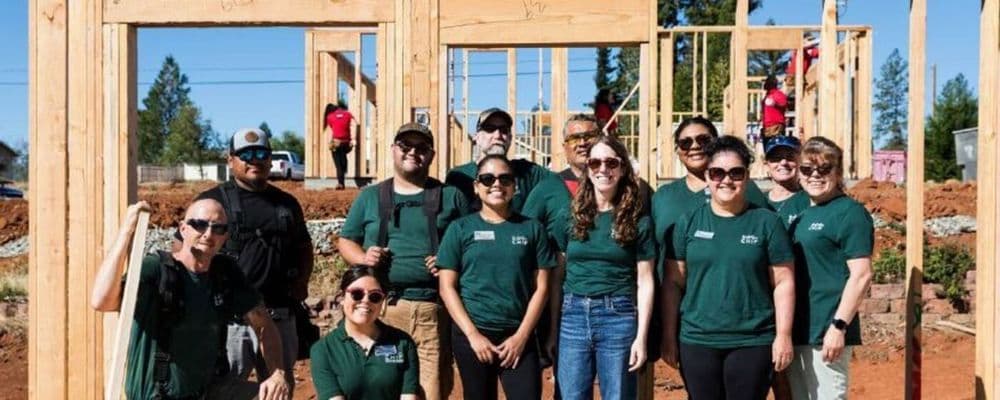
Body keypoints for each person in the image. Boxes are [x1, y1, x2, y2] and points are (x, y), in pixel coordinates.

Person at [92, 200, 290, 400]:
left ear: (225, 236)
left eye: (218, 228)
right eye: (200, 224)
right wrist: (126, 231)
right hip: (160, 395)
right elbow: (101, 300)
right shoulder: (158, 270)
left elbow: (263, 324)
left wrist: (277, 373)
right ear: (183, 229)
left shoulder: (225, 273)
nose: (208, 234)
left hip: (210, 391)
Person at [176, 128, 313, 393]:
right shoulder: (211, 202)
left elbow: (304, 248)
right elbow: (182, 251)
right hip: (230, 322)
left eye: (261, 153)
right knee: (223, 391)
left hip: (279, 318)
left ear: (270, 158)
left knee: (279, 391)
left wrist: (302, 283)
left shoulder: (286, 204)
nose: (254, 160)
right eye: (245, 154)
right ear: (230, 160)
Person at [337, 122, 468, 400]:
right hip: (382, 310)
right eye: (405, 146)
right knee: (383, 389)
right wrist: (363, 257)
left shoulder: (451, 196)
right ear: (393, 150)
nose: (412, 152)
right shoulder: (371, 196)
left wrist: (449, 260)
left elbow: (470, 246)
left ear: (431, 155)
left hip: (431, 310)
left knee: (430, 391)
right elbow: (345, 240)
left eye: (421, 148)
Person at [661, 135, 796, 400]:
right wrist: (668, 335)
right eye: (717, 172)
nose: (726, 179)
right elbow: (674, 283)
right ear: (708, 176)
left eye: (735, 172)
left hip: (752, 340)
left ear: (747, 175)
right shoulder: (688, 222)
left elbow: (784, 282)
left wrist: (783, 335)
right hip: (698, 340)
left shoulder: (767, 223)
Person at [437, 155, 557, 400]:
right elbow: (447, 287)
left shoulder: (532, 229)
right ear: (476, 186)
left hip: (518, 336)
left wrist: (521, 337)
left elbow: (542, 288)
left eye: (505, 178)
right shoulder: (460, 229)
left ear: (515, 186)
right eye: (487, 179)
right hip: (473, 336)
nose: (496, 184)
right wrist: (473, 335)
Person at [552, 135, 656, 400]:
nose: (603, 169)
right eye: (595, 163)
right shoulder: (571, 216)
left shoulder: (637, 220)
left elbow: (645, 281)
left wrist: (641, 338)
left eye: (611, 162)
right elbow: (557, 275)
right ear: (587, 169)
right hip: (573, 314)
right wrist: (553, 330)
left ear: (622, 169)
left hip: (618, 315)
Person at [786, 137, 873, 399]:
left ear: (837, 172)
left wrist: (838, 326)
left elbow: (862, 274)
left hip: (826, 330)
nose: (815, 175)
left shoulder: (849, 213)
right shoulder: (798, 211)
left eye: (824, 169)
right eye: (807, 169)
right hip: (797, 328)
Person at [651, 117, 769, 293]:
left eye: (703, 140)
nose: (695, 146)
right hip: (672, 304)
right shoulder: (663, 197)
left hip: (729, 303)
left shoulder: (743, 189)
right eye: (685, 142)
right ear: (677, 150)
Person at [310, 266, 421, 400]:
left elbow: (409, 396)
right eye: (357, 294)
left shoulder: (403, 343)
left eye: (375, 296)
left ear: (382, 302)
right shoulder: (323, 350)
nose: (365, 301)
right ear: (342, 298)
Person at [765, 135, 810, 228]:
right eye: (776, 158)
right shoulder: (758, 201)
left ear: (800, 162)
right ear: (766, 165)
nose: (783, 163)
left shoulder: (809, 200)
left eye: (790, 157)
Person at [326, 102, 357, 190]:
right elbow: (354, 123)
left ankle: (341, 183)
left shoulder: (330, 116)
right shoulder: (348, 114)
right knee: (343, 159)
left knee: (338, 164)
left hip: (336, 143)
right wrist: (353, 139)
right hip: (346, 143)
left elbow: (333, 127)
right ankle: (343, 174)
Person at [761, 76, 788, 143]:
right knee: (768, 148)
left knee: (776, 147)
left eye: (767, 83)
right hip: (766, 126)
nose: (765, 85)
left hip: (776, 126)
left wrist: (775, 104)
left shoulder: (778, 94)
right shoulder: (767, 96)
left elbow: (783, 104)